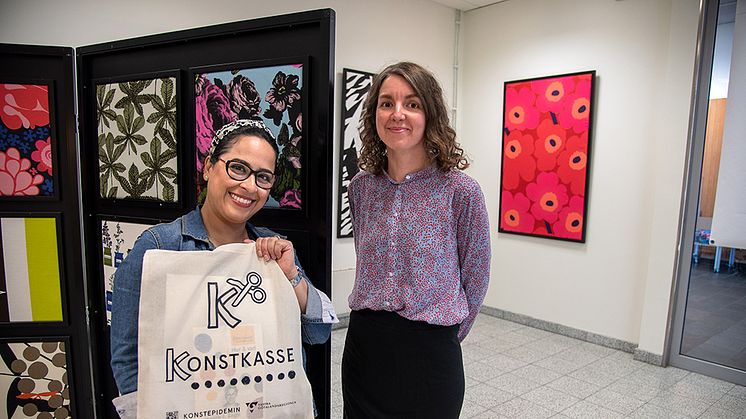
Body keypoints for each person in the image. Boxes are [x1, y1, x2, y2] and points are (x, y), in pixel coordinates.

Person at [110, 119, 333, 416]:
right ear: (209, 166)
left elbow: (318, 333)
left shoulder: (272, 246)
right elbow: (127, 355)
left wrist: (291, 275)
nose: (249, 186)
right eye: (238, 168)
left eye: (263, 177)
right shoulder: (159, 245)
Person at [342, 62, 491, 418]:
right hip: (366, 348)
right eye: (386, 102)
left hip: (430, 355)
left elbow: (477, 274)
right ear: (374, 114)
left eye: (412, 103)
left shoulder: (460, 191)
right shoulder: (362, 188)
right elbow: (366, 259)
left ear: (430, 113)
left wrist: (444, 335)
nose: (398, 114)